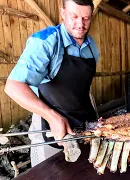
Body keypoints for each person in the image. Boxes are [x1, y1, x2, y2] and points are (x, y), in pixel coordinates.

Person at [4, 0, 99, 167]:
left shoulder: (92, 46)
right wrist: (52, 117)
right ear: (62, 13)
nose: (80, 24)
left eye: (86, 18)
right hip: (50, 131)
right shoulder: (45, 42)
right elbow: (13, 86)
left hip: (86, 128)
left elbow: (81, 87)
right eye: (74, 16)